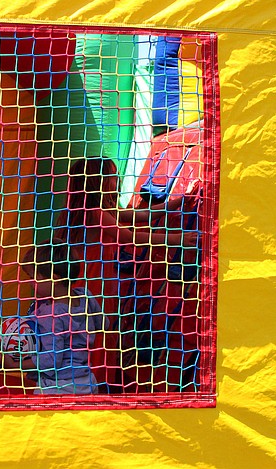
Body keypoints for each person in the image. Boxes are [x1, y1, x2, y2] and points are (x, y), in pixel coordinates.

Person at [56, 156, 199, 388]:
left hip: (98, 284)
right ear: (98, 181)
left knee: (101, 333)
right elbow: (130, 236)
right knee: (95, 335)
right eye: (112, 176)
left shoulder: (104, 210)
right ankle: (92, 384)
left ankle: (96, 381)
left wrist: (178, 202)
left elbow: (144, 215)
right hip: (92, 287)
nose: (117, 180)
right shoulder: (95, 213)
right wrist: (177, 239)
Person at [1, 238, 104, 394]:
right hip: (87, 382)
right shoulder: (86, 297)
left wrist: (15, 365)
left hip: (58, 388)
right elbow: (104, 324)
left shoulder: (52, 315)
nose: (30, 282)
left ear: (54, 279)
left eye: (32, 277)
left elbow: (51, 361)